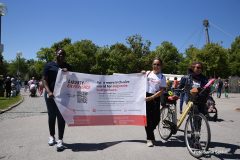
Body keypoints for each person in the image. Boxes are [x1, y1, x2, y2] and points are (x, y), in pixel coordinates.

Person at [43, 48, 72, 152]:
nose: (61, 56)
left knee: (61, 117)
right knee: (52, 116)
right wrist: (49, 91)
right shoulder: (49, 65)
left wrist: (67, 73)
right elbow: (44, 80)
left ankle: (60, 140)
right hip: (51, 95)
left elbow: (72, 81)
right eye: (59, 54)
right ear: (56, 54)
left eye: (63, 54)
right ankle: (52, 136)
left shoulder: (68, 66)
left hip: (63, 96)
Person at [143, 58, 166, 147]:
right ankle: (149, 138)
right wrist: (141, 72)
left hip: (155, 97)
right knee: (148, 119)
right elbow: (138, 79)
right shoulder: (148, 73)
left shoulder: (162, 77)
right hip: (146, 96)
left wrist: (152, 97)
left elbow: (161, 91)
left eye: (158, 64)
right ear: (152, 65)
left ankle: (150, 132)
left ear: (161, 66)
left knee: (156, 119)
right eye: (154, 64)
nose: (156, 66)